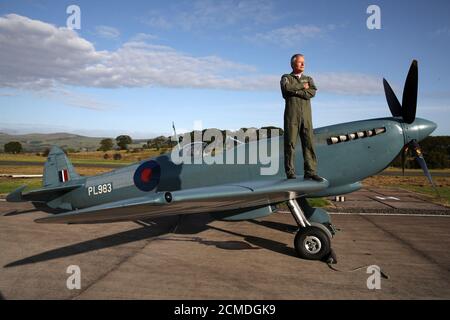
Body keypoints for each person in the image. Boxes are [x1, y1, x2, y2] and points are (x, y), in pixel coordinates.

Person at [280, 53, 324, 182]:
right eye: (300, 62)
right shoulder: (286, 77)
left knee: (309, 143)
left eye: (304, 62)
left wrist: (296, 92)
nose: (303, 64)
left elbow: (312, 92)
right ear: (293, 64)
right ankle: (290, 173)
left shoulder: (309, 79)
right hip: (291, 115)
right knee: (290, 144)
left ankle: (310, 172)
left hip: (306, 116)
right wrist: (301, 87)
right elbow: (286, 89)